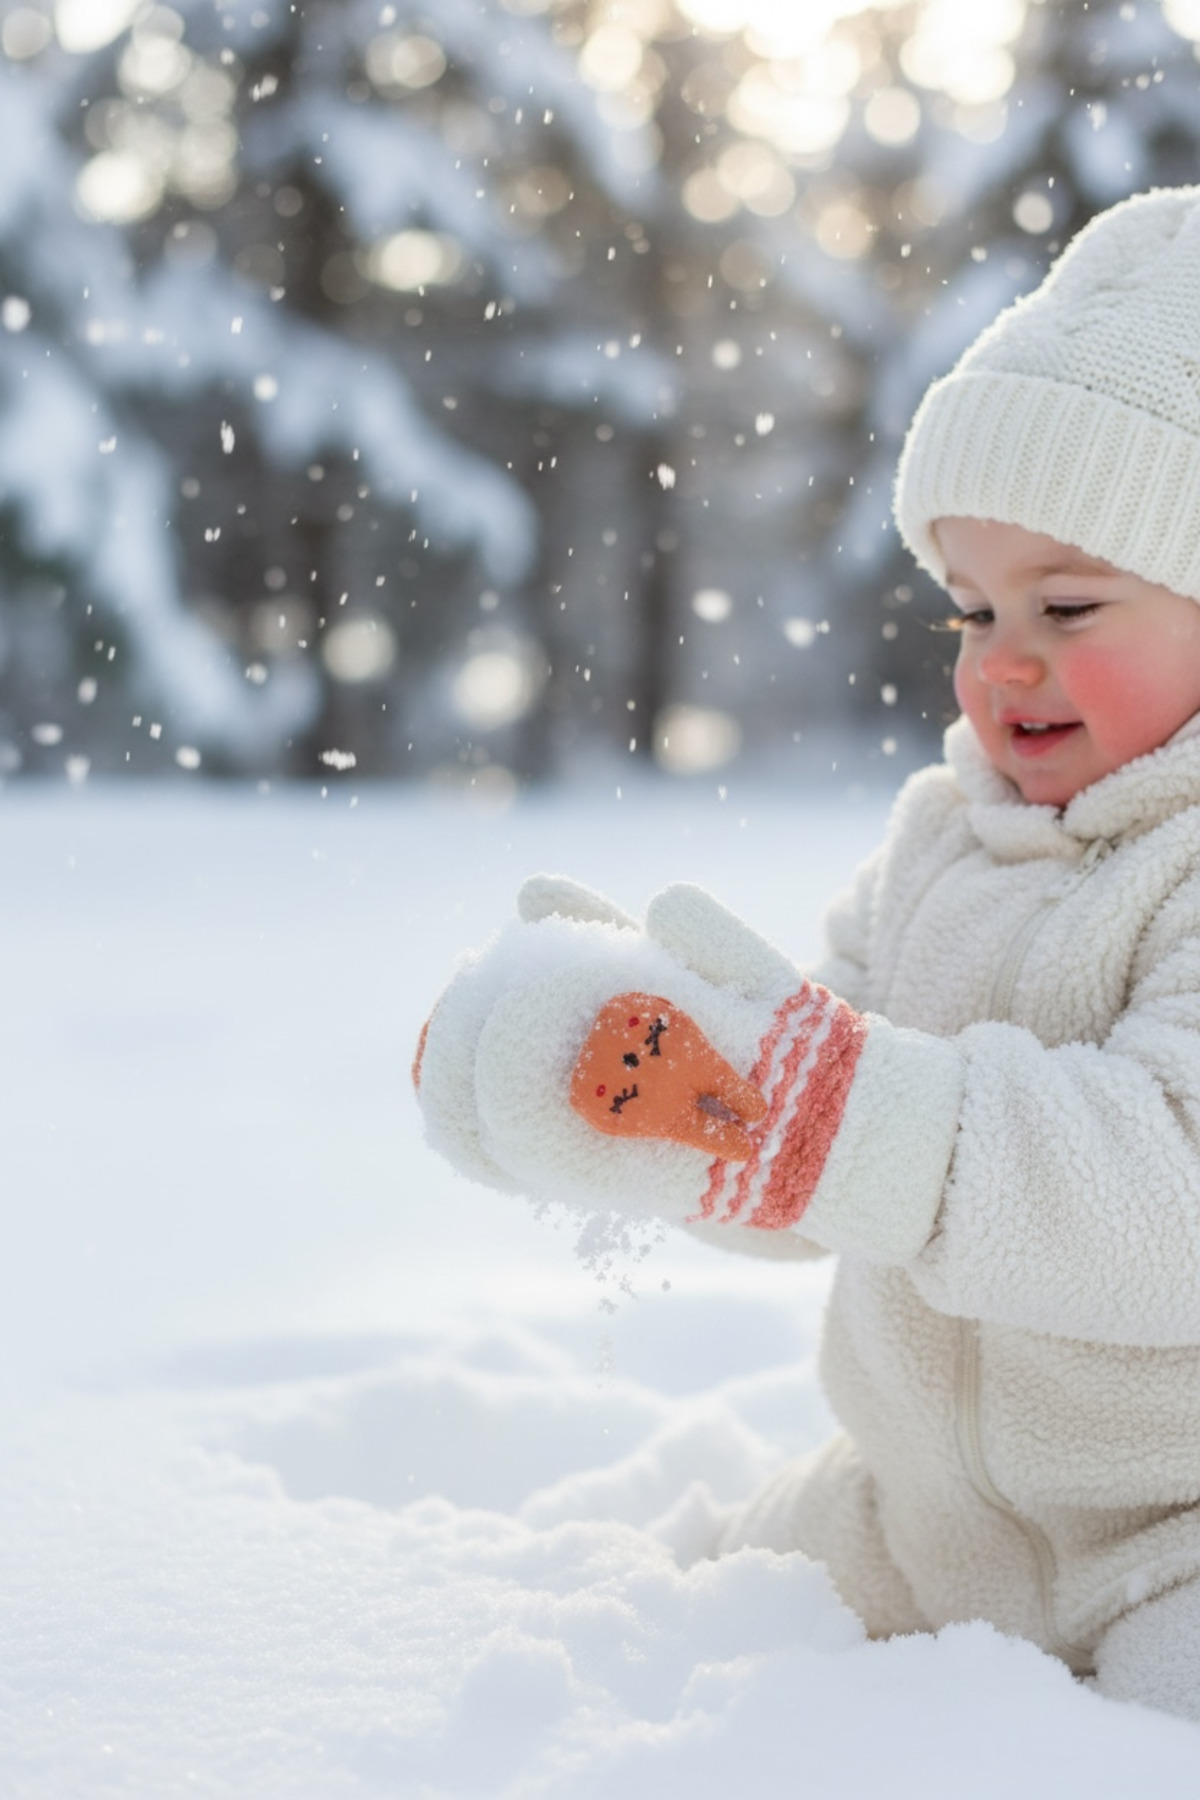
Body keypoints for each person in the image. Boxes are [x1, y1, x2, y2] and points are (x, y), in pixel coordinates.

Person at [414, 186, 1200, 1722]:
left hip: (1178, 1537)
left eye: (1070, 602)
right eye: (971, 607)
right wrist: (664, 1085)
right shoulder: (941, 846)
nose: (1005, 659)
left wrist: (843, 1112)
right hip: (924, 1527)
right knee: (704, 1623)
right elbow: (810, 1154)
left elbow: (1165, 1190)